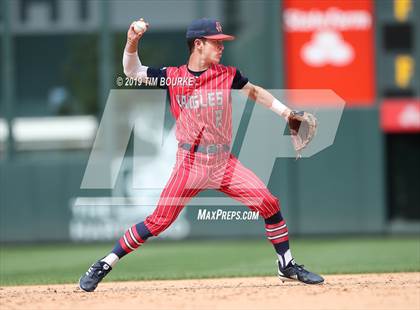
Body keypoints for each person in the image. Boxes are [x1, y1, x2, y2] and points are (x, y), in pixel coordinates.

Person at [79, 18, 324, 292]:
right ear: (198, 44)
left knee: (269, 203)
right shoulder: (172, 76)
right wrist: (132, 40)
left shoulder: (227, 74)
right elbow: (132, 71)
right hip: (189, 163)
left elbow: (255, 92)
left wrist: (287, 113)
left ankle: (286, 265)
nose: (221, 47)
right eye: (215, 42)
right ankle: (105, 263)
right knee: (158, 221)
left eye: (221, 42)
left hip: (223, 163)